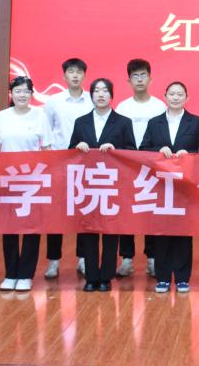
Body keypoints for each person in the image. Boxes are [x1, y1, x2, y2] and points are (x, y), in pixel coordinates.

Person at [0, 76, 52, 292]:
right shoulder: (2, 116)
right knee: (9, 227)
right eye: (17, 91)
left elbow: (46, 149)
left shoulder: (40, 116)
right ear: (11, 94)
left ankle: (26, 274)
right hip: (8, 179)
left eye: (26, 91)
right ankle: (10, 273)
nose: (22, 95)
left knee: (31, 228)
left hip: (32, 180)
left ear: (31, 94)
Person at [69, 78, 136, 292]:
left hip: (112, 185)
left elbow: (132, 151)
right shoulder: (81, 122)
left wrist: (116, 150)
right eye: (96, 90)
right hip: (87, 185)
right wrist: (77, 146)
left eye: (105, 91)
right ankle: (91, 276)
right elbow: (69, 152)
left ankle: (106, 276)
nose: (100, 94)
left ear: (111, 95)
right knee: (88, 230)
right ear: (91, 95)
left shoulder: (123, 122)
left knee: (110, 231)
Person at [141, 81, 199, 293]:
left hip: (185, 186)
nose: (176, 97)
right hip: (161, 186)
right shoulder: (154, 122)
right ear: (165, 96)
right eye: (172, 94)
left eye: (180, 94)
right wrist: (158, 150)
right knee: (162, 232)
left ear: (187, 98)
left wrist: (190, 154)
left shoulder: (196, 122)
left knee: (183, 233)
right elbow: (143, 149)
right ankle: (162, 277)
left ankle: (183, 277)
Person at [115, 58, 167, 278]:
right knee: (126, 212)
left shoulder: (160, 106)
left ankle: (152, 258)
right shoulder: (122, 107)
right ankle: (126, 258)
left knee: (151, 212)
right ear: (128, 80)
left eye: (143, 75)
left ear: (150, 78)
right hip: (127, 166)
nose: (139, 79)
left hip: (152, 166)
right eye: (135, 76)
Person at [43, 58, 94, 280]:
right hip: (59, 163)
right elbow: (46, 129)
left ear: (84, 75)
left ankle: (83, 258)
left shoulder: (92, 100)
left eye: (79, 72)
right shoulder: (53, 102)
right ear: (64, 76)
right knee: (56, 214)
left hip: (86, 163)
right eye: (71, 72)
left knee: (84, 211)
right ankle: (53, 260)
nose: (75, 75)